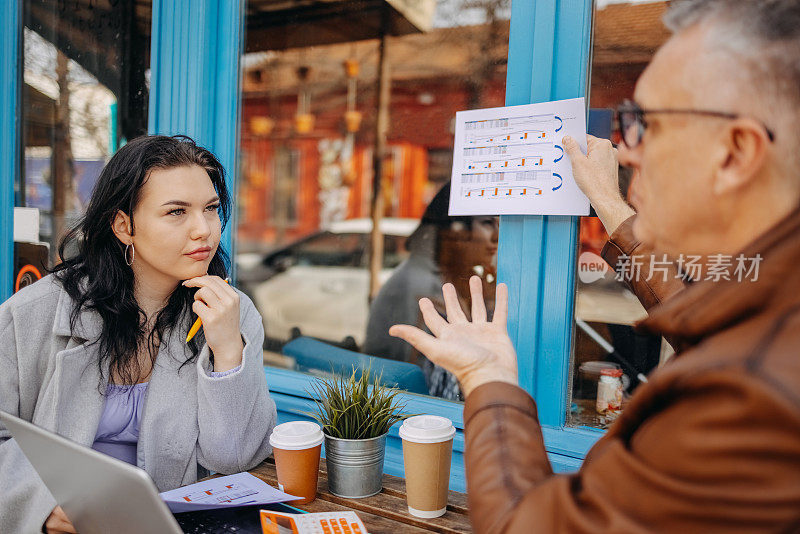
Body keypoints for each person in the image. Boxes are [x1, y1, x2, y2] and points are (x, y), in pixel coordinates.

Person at [390, 0, 800, 531]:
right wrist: (610, 202)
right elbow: (708, 326)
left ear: (736, 151)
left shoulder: (747, 401)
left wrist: (486, 378)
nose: (627, 152)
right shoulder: (769, 317)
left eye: (646, 124)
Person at [0, 135, 277, 533]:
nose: (203, 229)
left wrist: (228, 350)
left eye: (211, 208)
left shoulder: (231, 312)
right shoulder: (34, 314)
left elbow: (235, 456)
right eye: (177, 212)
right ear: (124, 226)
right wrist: (42, 506)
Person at [364, 183, 498, 399]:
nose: (497, 236)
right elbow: (430, 379)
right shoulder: (424, 284)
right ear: (455, 233)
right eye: (486, 223)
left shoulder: (446, 278)